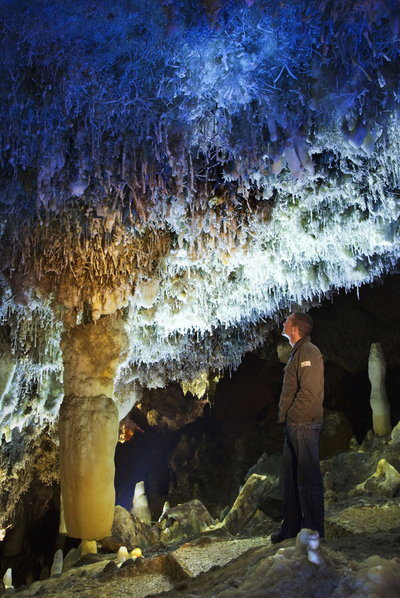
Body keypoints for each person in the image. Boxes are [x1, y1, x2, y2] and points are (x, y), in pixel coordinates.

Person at [271, 312, 324, 544]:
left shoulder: (308, 352)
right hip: (295, 426)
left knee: (308, 480)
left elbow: (309, 392)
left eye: (287, 321)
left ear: (295, 328)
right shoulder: (297, 352)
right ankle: (290, 529)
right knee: (289, 480)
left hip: (303, 424)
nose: (283, 323)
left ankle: (313, 532)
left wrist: (292, 416)